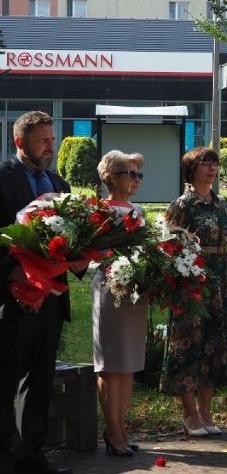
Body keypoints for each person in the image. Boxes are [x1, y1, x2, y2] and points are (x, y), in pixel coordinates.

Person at [0, 111, 83, 474]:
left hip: (51, 298)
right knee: (4, 382)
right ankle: (4, 456)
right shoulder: (2, 179)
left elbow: (68, 239)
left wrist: (80, 259)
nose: (51, 145)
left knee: (41, 380)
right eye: (43, 140)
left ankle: (32, 454)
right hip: (13, 298)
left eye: (52, 138)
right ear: (21, 142)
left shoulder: (58, 184)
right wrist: (13, 269)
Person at [162, 147, 227, 436]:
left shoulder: (222, 204)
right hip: (193, 281)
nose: (211, 168)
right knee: (189, 343)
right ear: (191, 170)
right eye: (204, 163)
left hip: (221, 277)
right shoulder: (183, 205)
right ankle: (189, 413)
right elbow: (168, 243)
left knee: (215, 343)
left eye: (214, 163)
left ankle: (206, 412)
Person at [92, 150, 147, 457]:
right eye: (131, 173)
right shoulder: (99, 210)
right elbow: (94, 251)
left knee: (127, 366)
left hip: (136, 293)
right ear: (112, 176)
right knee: (111, 365)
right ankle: (113, 432)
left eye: (139, 174)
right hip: (112, 290)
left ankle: (122, 429)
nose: (137, 179)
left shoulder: (137, 210)